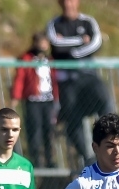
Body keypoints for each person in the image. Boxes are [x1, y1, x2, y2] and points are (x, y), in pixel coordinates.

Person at [47, 0, 114, 165]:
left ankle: (110, 142)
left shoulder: (88, 21)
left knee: (104, 96)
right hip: (67, 81)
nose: (68, 4)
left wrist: (72, 52)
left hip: (88, 77)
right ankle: (89, 157)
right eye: (65, 2)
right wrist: (80, 41)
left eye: (71, 1)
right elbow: (56, 44)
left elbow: (96, 43)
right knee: (71, 117)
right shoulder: (54, 24)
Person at [11, 31, 60, 168]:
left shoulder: (50, 60)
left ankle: (51, 161)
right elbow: (20, 79)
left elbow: (55, 79)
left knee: (49, 131)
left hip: (48, 101)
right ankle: (37, 162)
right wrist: (15, 96)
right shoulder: (27, 59)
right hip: (33, 101)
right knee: (35, 131)